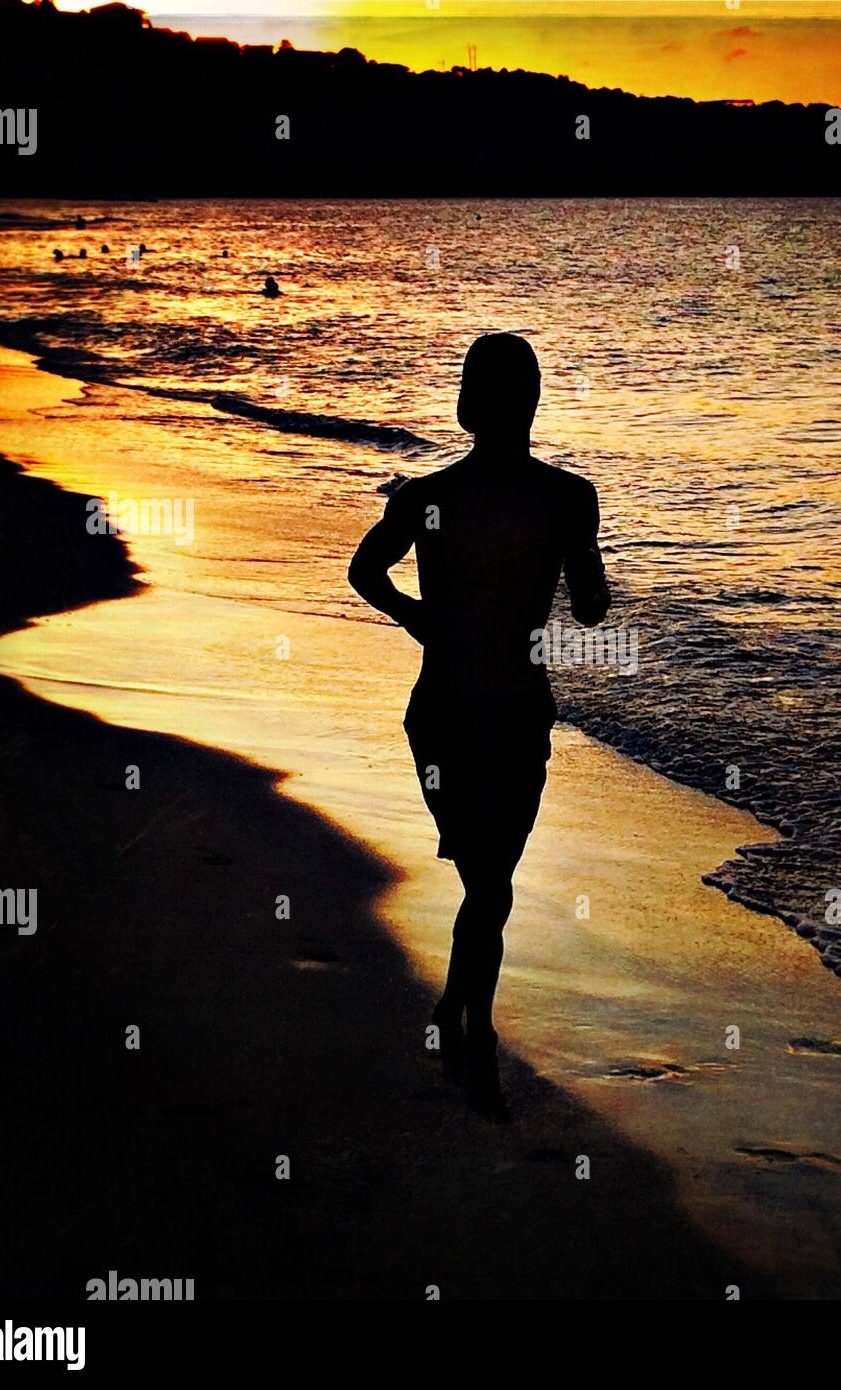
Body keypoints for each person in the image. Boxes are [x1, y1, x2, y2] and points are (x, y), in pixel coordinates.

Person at [348, 333, 608, 1121]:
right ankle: (479, 1034)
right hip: (515, 713)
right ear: (532, 401)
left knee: (486, 880)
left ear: (468, 402)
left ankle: (457, 1012)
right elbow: (593, 609)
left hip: (443, 713)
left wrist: (417, 617)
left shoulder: (428, 494)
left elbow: (364, 571)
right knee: (491, 881)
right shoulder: (568, 497)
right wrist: (572, 562)